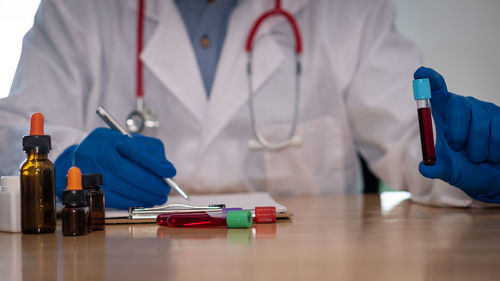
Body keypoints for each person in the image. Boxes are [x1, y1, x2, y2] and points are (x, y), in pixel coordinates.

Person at [0, 0, 498, 209]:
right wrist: (60, 162)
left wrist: (465, 155)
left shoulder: (346, 11)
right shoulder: (80, 10)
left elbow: (417, 142)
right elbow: (14, 131)